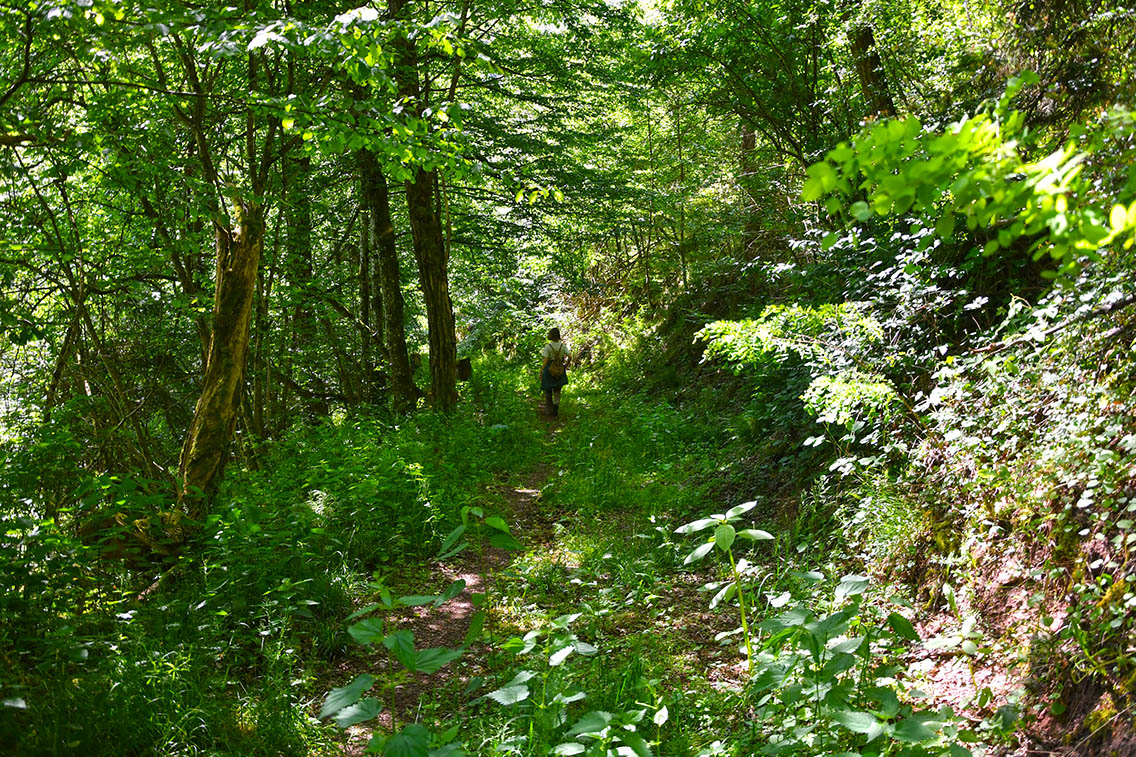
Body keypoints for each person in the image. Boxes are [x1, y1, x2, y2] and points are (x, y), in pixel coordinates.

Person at [540, 328, 570, 416]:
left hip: (549, 368)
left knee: (548, 389)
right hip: (559, 368)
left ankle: (549, 410)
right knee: (557, 389)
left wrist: (541, 370)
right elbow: (570, 356)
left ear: (551, 335)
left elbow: (546, 359)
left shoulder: (548, 347)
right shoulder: (562, 346)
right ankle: (556, 407)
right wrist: (565, 365)